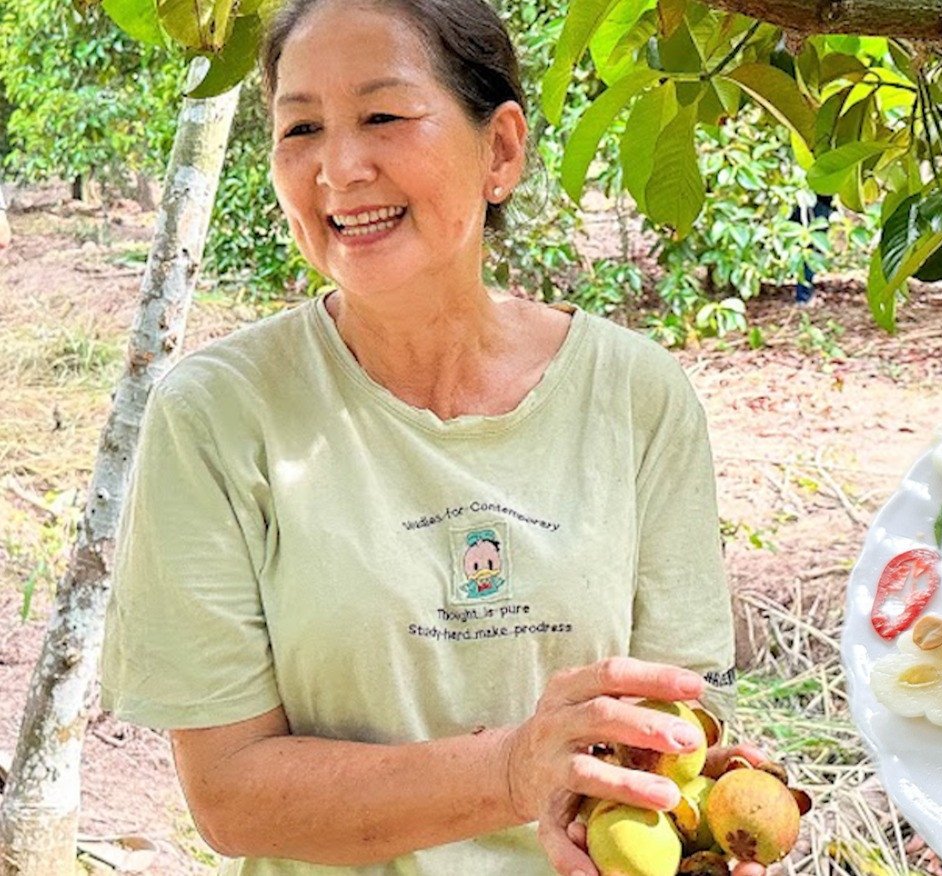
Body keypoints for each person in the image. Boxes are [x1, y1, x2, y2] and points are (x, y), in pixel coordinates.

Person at [98, 1, 767, 873]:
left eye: (382, 115)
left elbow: (659, 727)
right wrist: (510, 768)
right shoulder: (221, 415)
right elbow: (229, 798)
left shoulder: (636, 395)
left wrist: (706, 815)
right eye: (300, 127)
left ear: (501, 150)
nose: (338, 168)